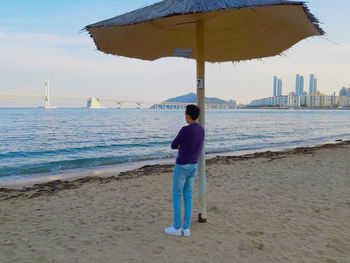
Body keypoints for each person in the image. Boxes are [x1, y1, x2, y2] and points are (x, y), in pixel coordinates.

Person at [164, 104, 205, 237]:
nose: (185, 117)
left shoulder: (185, 129)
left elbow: (173, 145)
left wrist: (181, 146)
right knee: (188, 196)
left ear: (188, 115)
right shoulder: (201, 130)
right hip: (193, 166)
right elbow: (195, 146)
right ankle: (186, 228)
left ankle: (176, 227)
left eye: (185, 114)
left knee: (176, 195)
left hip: (181, 165)